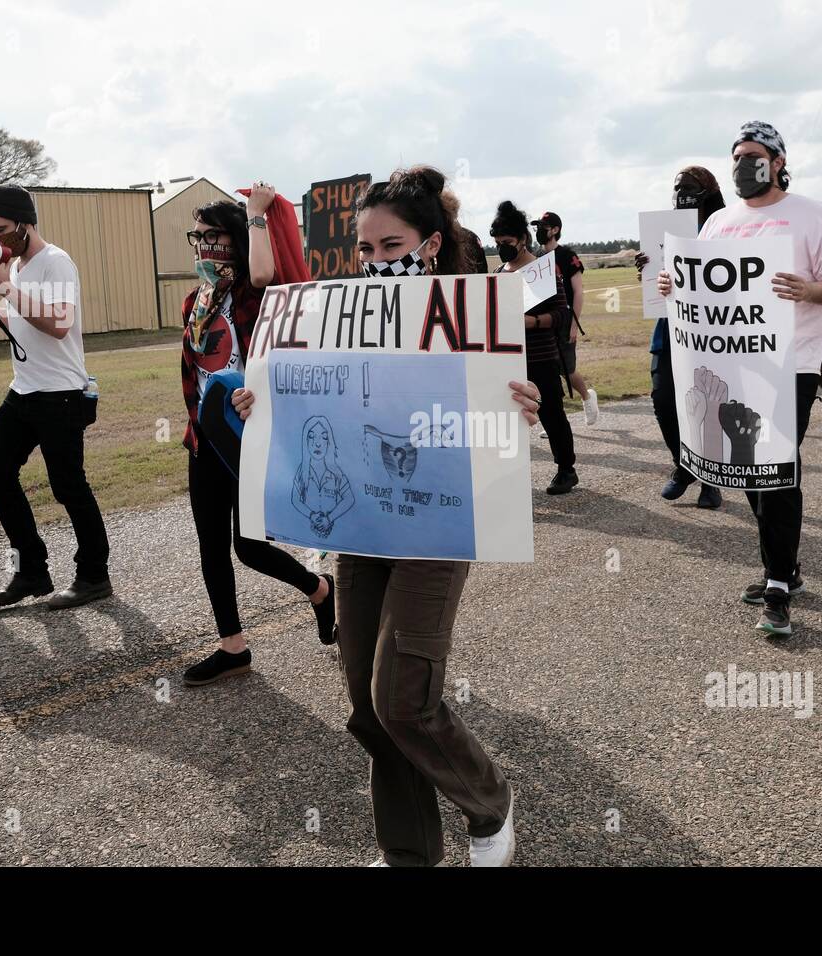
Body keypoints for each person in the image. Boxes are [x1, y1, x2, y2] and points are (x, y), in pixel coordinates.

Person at [229, 166, 539, 867]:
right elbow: (311, 397)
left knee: (403, 697)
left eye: (389, 244)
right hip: (362, 528)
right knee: (367, 708)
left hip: (436, 523)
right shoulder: (332, 316)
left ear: (430, 243)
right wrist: (266, 407)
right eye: (363, 249)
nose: (374, 260)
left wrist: (521, 410)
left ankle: (488, 800)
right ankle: (407, 850)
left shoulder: (474, 315)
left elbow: (502, 421)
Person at [657, 121, 822, 637]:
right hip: (731, 364)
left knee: (779, 467)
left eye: (753, 155)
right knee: (745, 466)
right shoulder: (719, 222)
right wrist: (671, 284)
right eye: (737, 155)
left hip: (792, 362)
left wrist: (810, 292)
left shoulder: (811, 216)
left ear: (779, 162)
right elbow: (699, 287)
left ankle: (777, 586)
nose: (743, 163)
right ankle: (784, 566)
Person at [176, 190, 336, 688]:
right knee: (210, 548)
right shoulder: (195, 300)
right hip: (204, 438)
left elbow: (265, 275)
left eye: (213, 236)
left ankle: (319, 590)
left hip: (250, 439)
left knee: (248, 547)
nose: (203, 246)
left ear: (237, 240)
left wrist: (254, 217)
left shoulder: (254, 295)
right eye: (196, 237)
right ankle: (233, 647)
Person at [0, 184, 111, 609]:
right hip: (22, 391)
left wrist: (5, 289)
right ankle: (31, 571)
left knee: (68, 487)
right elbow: (23, 318)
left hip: (60, 394)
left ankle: (94, 574)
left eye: (2, 230)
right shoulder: (18, 267)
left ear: (25, 223)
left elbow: (59, 322)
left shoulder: (55, 262)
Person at [634, 165, 725, 507]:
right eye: (677, 187)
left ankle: (710, 482)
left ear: (708, 191)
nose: (681, 192)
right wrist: (647, 266)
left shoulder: (720, 229)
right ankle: (683, 466)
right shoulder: (666, 229)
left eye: (689, 186)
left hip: (708, 332)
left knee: (705, 405)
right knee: (662, 401)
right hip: (668, 331)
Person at [494, 200, 579, 495]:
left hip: (541, 356)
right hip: (507, 357)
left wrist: (534, 322)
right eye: (497, 242)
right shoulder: (499, 272)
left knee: (552, 414)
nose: (501, 247)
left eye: (506, 242)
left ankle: (566, 469)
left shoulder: (544, 271)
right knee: (506, 416)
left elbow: (561, 314)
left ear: (522, 240)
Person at [531, 211, 598, 425]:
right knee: (546, 370)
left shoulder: (567, 255)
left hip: (564, 319)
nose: (539, 231)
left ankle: (587, 397)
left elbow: (578, 291)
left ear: (555, 230)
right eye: (537, 227)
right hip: (543, 319)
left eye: (544, 227)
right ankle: (553, 419)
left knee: (566, 370)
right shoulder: (535, 257)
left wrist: (573, 324)